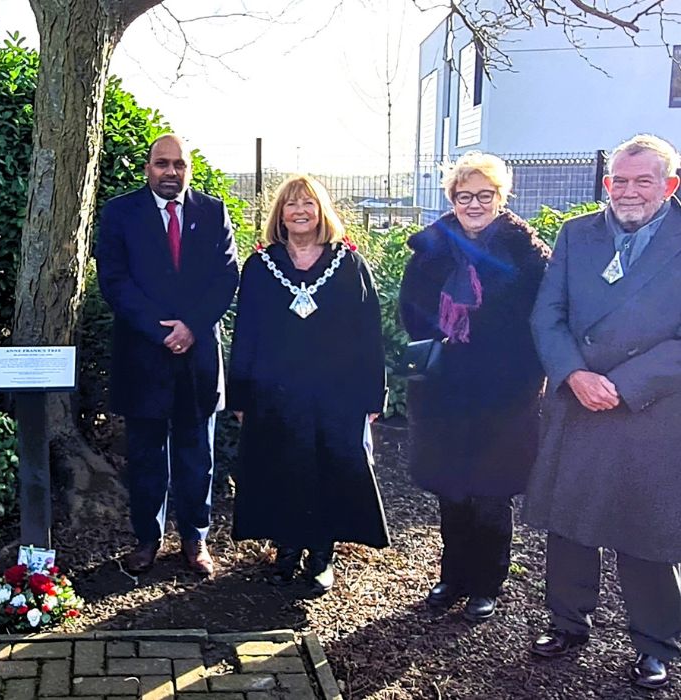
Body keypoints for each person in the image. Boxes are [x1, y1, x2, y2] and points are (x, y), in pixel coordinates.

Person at [525, 134, 681, 690]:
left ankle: (656, 644)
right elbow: (548, 314)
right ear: (607, 183)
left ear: (670, 185)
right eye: (620, 180)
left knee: (647, 530)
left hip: (652, 407)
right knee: (570, 522)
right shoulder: (576, 234)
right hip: (579, 400)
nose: (629, 191)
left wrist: (623, 384)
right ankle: (567, 623)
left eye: (644, 181)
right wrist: (574, 374)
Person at [398, 152, 550, 622]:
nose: (474, 204)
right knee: (452, 491)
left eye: (485, 195)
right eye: (464, 196)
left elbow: (541, 321)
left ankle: (487, 583)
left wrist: (521, 376)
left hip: (504, 392)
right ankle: (453, 576)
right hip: (445, 389)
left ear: (501, 197)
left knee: (490, 494)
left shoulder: (527, 255)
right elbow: (410, 311)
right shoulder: (431, 251)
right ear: (452, 199)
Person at [227, 175, 388, 597]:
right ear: (280, 214)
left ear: (322, 211)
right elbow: (246, 333)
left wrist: (374, 394)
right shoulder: (260, 266)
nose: (300, 211)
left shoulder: (348, 264)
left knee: (327, 470)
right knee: (280, 469)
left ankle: (320, 556)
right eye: (291, 204)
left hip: (336, 394)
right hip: (274, 394)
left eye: (308, 203)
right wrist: (240, 393)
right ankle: (285, 550)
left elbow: (368, 334)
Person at [96, 133, 239, 578]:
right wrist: (161, 330)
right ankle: (147, 539)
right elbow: (114, 280)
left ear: (188, 170)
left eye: (179, 164)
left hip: (197, 356)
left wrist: (191, 326)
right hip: (143, 354)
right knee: (145, 456)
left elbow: (226, 277)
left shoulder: (212, 212)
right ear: (147, 168)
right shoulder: (120, 213)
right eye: (162, 163)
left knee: (198, 455)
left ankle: (196, 539)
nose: (171, 172)